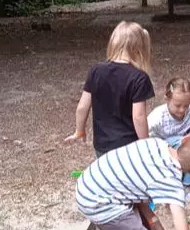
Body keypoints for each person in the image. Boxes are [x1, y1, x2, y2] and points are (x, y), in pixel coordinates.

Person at [65, 21, 154, 157]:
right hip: (129, 146)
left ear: (113, 43)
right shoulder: (139, 77)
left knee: (108, 176)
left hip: (102, 145)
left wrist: (80, 130)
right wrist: (145, 144)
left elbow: (82, 107)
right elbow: (139, 116)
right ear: (140, 48)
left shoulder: (95, 70)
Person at [148, 77, 190, 205]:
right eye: (177, 105)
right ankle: (175, 186)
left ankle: (189, 184)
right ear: (167, 99)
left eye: (186, 105)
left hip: (182, 143)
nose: (182, 110)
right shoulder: (158, 117)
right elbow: (145, 138)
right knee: (185, 146)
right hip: (161, 147)